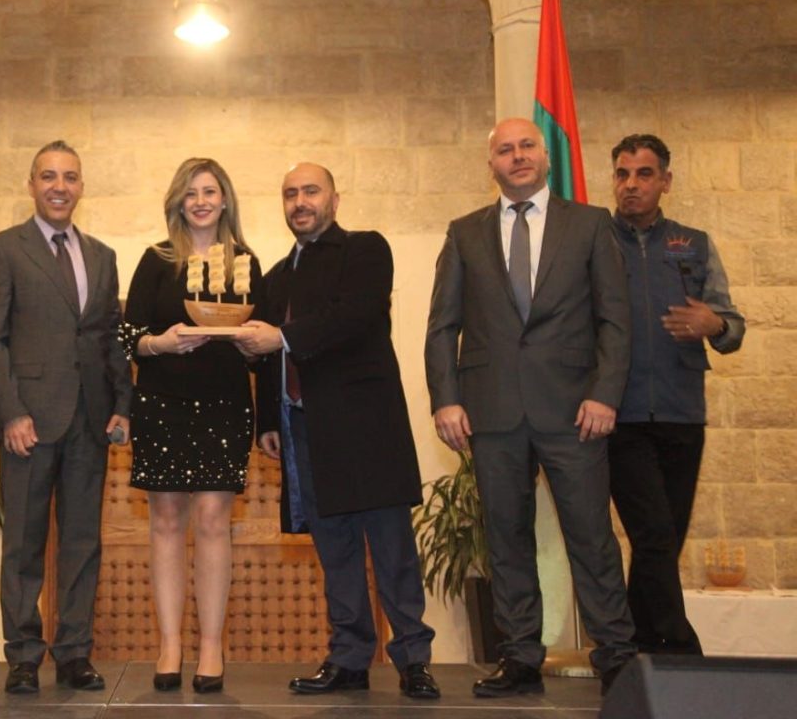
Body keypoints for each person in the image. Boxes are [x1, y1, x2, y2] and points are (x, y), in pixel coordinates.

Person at [424, 118, 636, 697]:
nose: (516, 156)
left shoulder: (590, 224)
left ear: (545, 156)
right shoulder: (464, 233)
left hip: (575, 411)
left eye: (526, 147)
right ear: (490, 163)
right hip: (491, 412)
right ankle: (519, 656)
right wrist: (446, 399)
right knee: (506, 536)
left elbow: (616, 319)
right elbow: (442, 325)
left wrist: (605, 393)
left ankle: (617, 656)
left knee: (591, 535)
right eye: (504, 150)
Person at [235, 163, 440, 700]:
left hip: (367, 427)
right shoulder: (276, 276)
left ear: (334, 198)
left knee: (393, 550)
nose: (300, 201)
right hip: (304, 429)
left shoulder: (365, 249)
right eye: (290, 194)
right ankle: (349, 659)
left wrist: (280, 337)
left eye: (311, 191)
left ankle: (414, 661)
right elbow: (265, 356)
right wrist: (268, 420)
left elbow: (355, 316)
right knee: (336, 551)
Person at [0, 140, 133, 694]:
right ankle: (23, 656)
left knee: (82, 543)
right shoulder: (4, 249)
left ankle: (73, 654)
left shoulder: (102, 256)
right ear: (31, 185)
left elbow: (110, 339)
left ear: (81, 186)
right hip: (30, 423)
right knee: (23, 544)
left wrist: (123, 405)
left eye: (69, 177)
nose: (59, 186)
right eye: (48, 176)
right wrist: (11, 412)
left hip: (90, 422)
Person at [119, 158, 262, 693]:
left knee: (212, 521)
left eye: (210, 191)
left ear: (225, 201)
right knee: (165, 522)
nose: (200, 201)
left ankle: (211, 646)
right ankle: (169, 645)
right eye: (191, 192)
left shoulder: (246, 262)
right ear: (179, 201)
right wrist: (162, 343)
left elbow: (263, 345)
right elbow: (127, 336)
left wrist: (251, 343)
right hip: (163, 401)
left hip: (224, 402)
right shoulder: (156, 259)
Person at [608, 133, 744, 655]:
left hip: (682, 412)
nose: (631, 185)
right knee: (654, 534)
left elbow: (732, 325)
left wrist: (715, 324)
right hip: (619, 416)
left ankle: (638, 647)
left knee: (662, 541)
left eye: (644, 174)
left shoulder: (695, 243)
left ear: (665, 181)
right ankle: (681, 645)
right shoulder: (595, 241)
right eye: (622, 174)